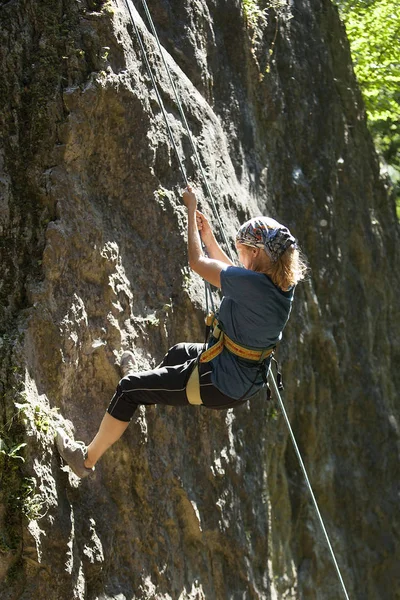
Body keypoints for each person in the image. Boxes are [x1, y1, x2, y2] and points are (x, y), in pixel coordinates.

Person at [56, 186, 307, 477]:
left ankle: (84, 460)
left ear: (255, 253)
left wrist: (189, 211)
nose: (240, 259)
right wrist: (209, 237)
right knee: (177, 353)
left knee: (128, 389)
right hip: (241, 378)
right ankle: (148, 390)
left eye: (243, 253)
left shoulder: (252, 284)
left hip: (220, 380)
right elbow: (236, 277)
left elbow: (197, 264)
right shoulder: (279, 286)